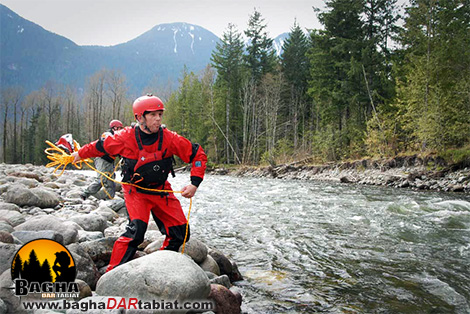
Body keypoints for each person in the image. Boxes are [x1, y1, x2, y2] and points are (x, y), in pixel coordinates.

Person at [72, 94, 207, 271]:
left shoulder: (170, 138)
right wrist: (78, 154)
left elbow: (198, 155)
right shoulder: (124, 137)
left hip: (161, 191)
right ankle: (113, 273)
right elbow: (99, 146)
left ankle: (161, 263)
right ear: (139, 117)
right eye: (153, 115)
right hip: (135, 192)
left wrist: (194, 183)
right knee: (136, 231)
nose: (158, 119)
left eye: (160, 114)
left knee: (181, 233)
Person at [80, 120, 124, 200]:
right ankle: (85, 194)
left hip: (110, 161)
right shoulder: (107, 135)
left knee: (111, 179)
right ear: (114, 128)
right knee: (101, 179)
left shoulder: (118, 137)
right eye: (119, 128)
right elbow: (106, 145)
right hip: (102, 159)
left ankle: (109, 198)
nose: (121, 130)